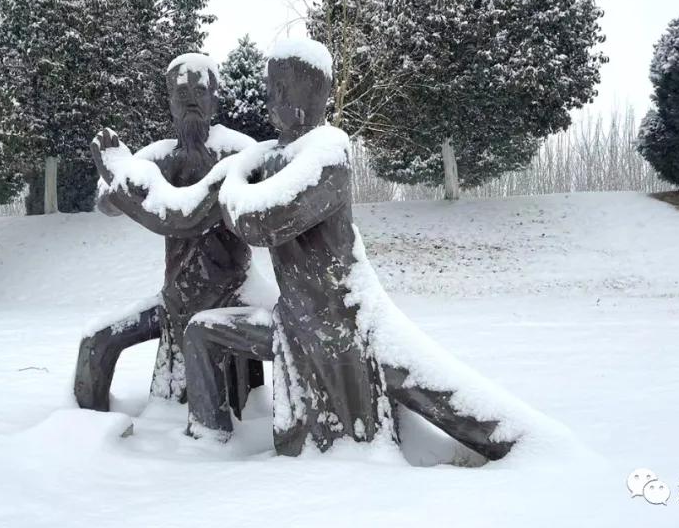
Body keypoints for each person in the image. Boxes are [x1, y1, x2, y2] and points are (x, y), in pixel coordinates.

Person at [183, 40, 517, 461]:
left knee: (469, 414)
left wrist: (234, 187)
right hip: (294, 322)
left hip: (344, 321)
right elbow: (197, 211)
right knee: (200, 330)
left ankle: (532, 450)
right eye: (271, 86)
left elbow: (261, 222)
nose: (274, 97)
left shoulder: (328, 152)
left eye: (284, 86)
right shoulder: (268, 159)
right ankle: (204, 449)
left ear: (313, 95)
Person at [74, 54, 270, 414]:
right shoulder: (159, 156)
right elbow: (106, 201)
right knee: (95, 342)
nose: (191, 98)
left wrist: (120, 176)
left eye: (200, 89)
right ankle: (85, 428)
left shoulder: (237, 151)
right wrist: (116, 176)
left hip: (231, 297)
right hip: (173, 300)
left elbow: (185, 217)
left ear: (215, 96)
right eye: (181, 92)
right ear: (169, 101)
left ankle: (220, 427)